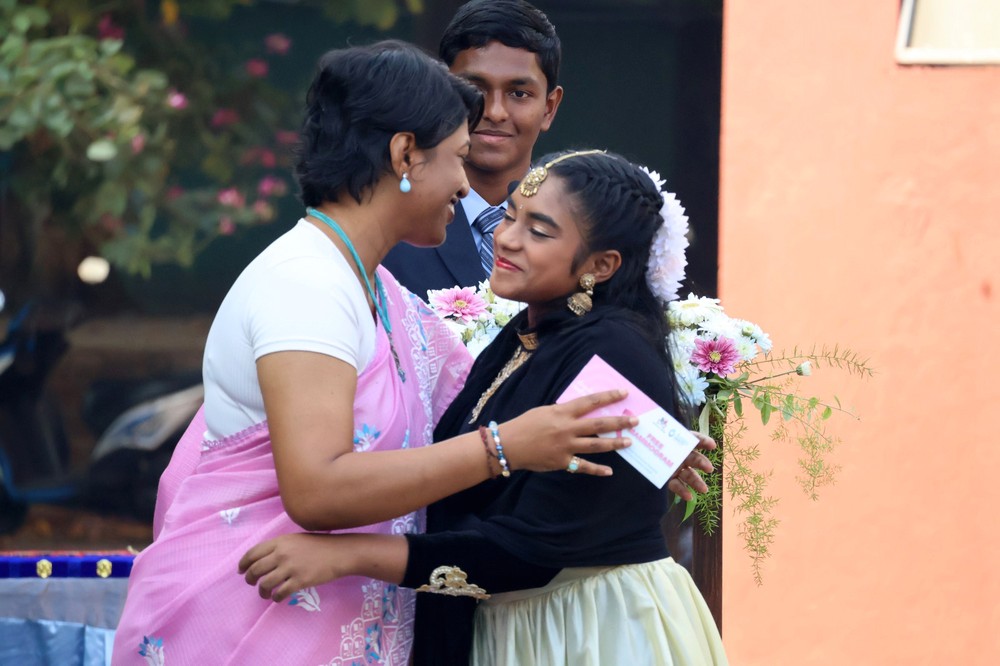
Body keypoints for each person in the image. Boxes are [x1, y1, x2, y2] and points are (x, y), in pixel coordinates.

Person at [110, 44, 639, 666]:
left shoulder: (376, 290)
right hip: (250, 621)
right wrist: (502, 449)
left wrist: (636, 448)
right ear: (405, 155)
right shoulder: (304, 285)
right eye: (459, 157)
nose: (466, 185)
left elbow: (487, 402)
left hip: (333, 619)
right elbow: (317, 490)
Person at [239, 149, 728, 665]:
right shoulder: (529, 333)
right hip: (527, 624)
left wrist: (344, 555)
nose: (507, 238)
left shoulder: (612, 352)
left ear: (601, 265)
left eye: (539, 231)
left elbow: (527, 552)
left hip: (593, 631)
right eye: (511, 215)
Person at [382, 0, 563, 296]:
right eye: (474, 90)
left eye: (519, 93)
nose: (494, 111)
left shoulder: (579, 232)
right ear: (441, 93)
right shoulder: (393, 230)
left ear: (549, 108)